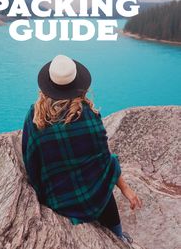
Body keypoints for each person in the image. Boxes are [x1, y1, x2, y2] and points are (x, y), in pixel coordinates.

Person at [22, 55, 142, 244]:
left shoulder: (35, 118)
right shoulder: (89, 116)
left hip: (58, 200)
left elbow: (31, 162)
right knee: (104, 190)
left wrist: (42, 194)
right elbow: (105, 162)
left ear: (47, 85)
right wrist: (125, 188)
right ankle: (119, 237)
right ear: (79, 86)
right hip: (94, 198)